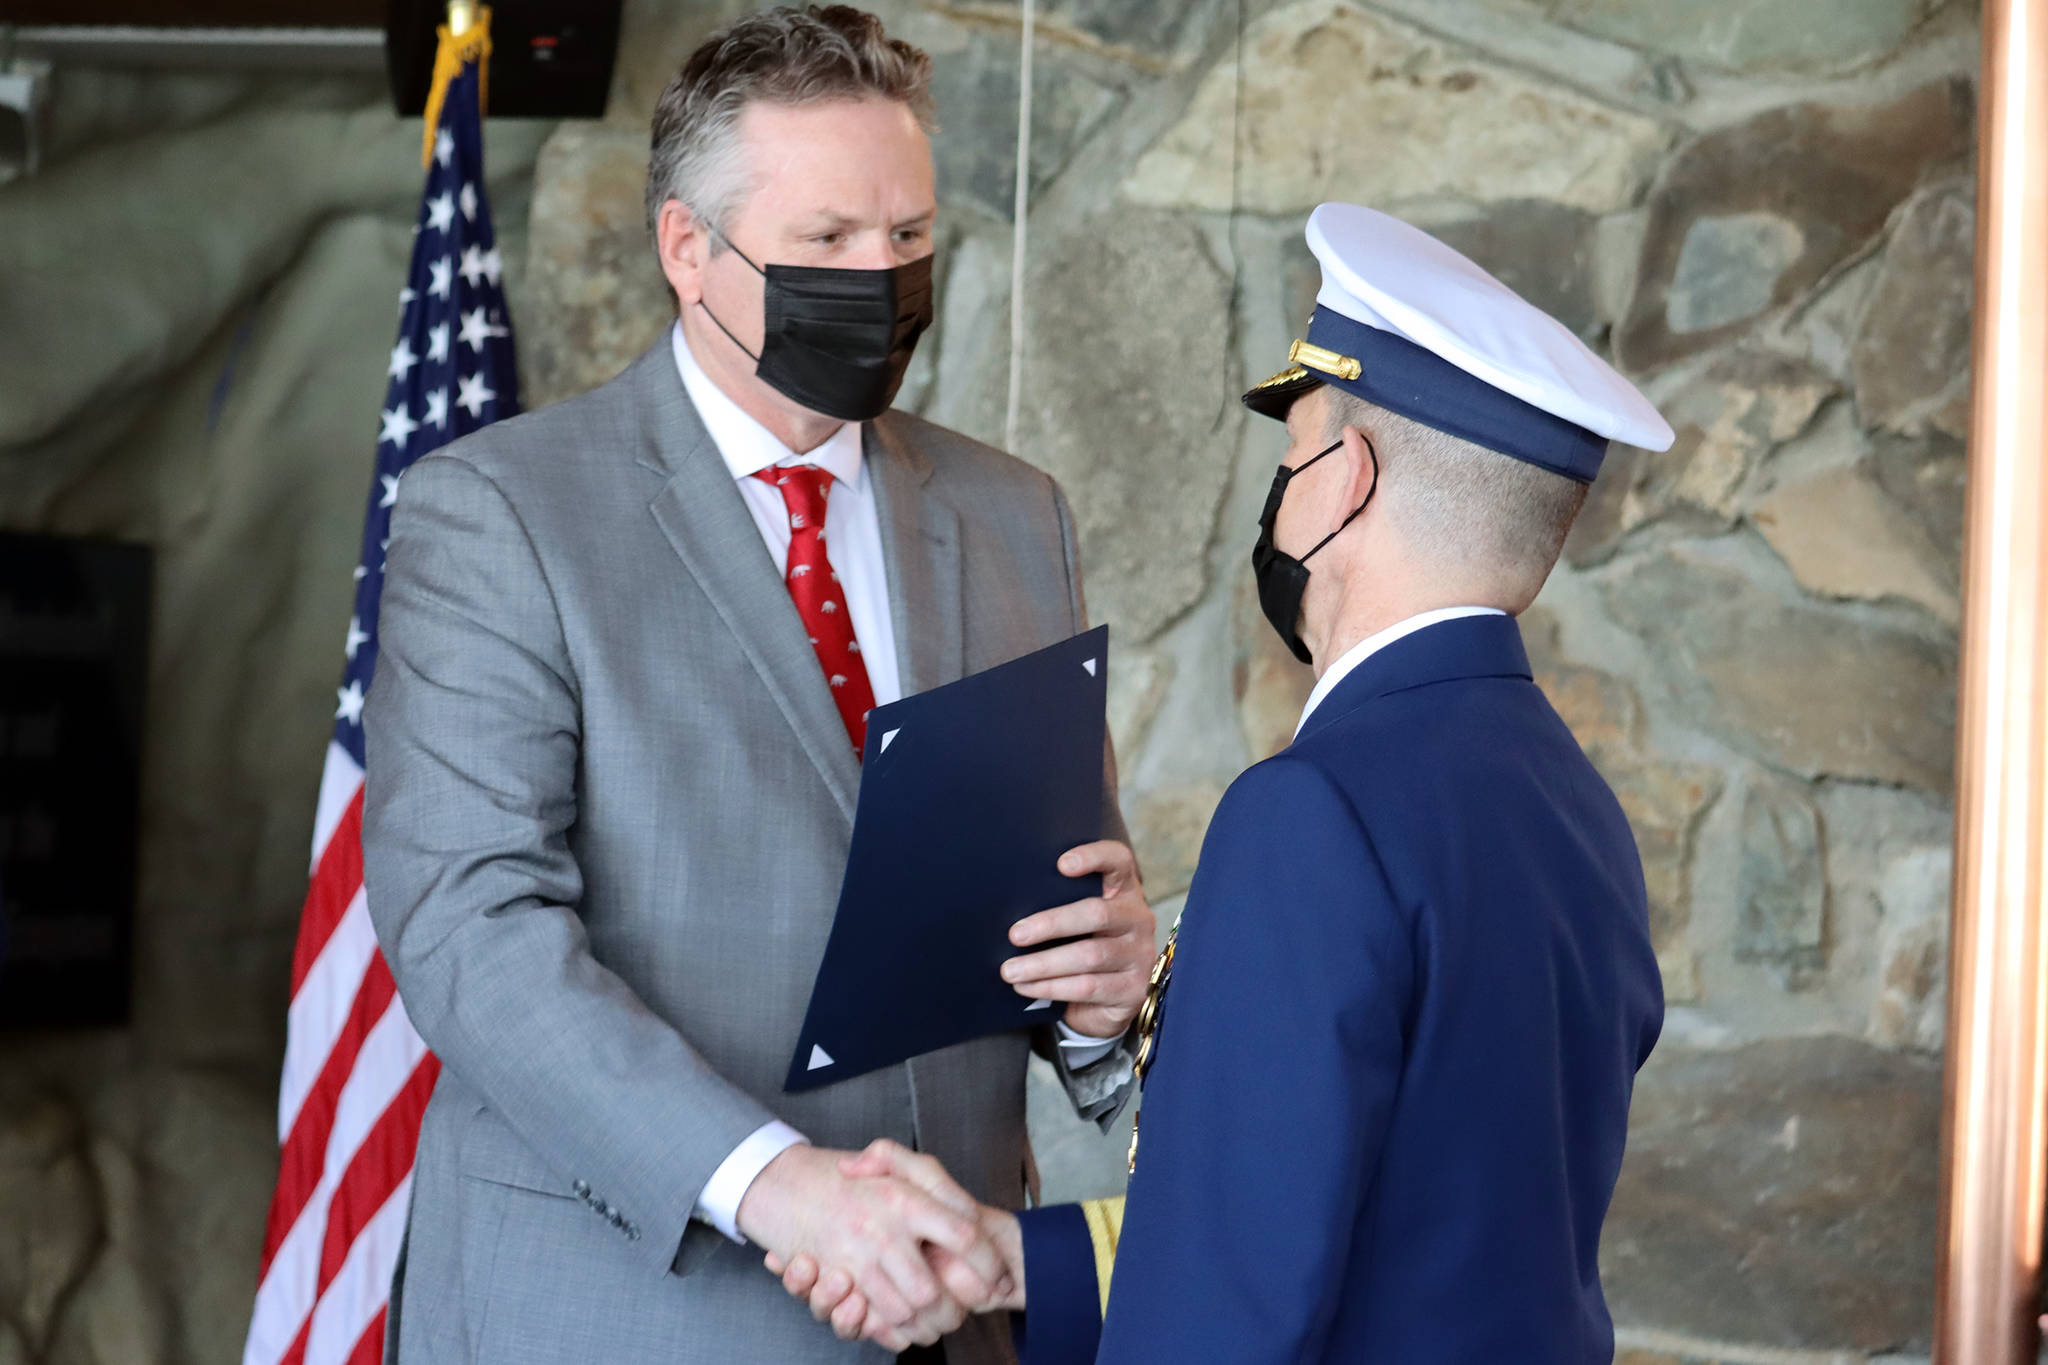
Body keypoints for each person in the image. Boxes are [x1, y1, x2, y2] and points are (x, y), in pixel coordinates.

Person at [361, 8, 1158, 1364]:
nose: (883, 276)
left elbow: (1058, 895)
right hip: (619, 1317)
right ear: (690, 249)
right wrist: (779, 1188)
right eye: (831, 241)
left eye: (908, 239)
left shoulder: (1019, 515)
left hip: (949, 1323)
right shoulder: (501, 513)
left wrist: (1104, 999)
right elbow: (472, 929)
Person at [774, 202, 1676, 1363]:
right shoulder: (1575, 807)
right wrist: (1023, 1265)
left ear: (1344, 479)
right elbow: (1420, 1222)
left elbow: (1225, 1308)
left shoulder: (1310, 813)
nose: (1282, 491)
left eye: (1292, 454)